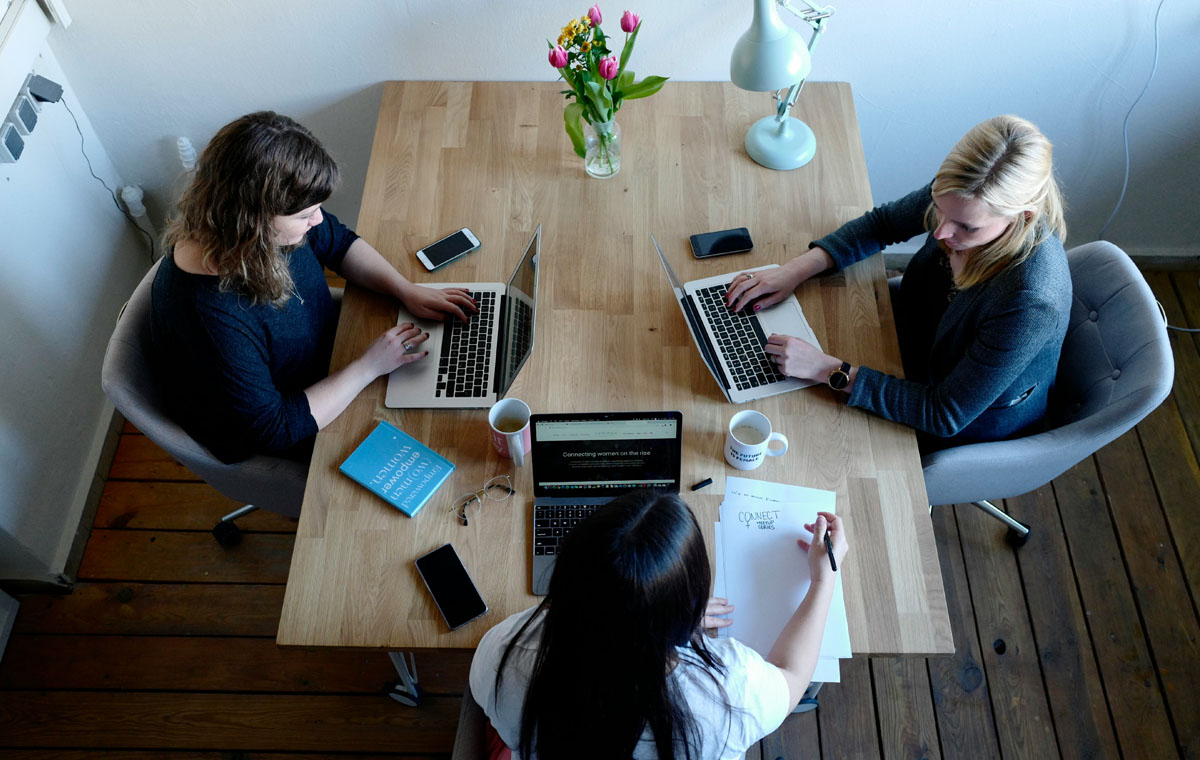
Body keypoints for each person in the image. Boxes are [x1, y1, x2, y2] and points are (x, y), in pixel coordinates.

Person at [150, 111, 476, 468]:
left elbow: (338, 243)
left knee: (452, 392)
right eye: (306, 215)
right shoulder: (208, 316)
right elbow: (273, 427)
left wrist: (405, 290)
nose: (317, 220)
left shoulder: (254, 231)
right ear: (252, 219)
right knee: (444, 439)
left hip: (334, 354)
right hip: (295, 418)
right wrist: (369, 367)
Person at [726, 115, 1070, 450]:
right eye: (939, 208)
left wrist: (826, 368)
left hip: (957, 420)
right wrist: (793, 271)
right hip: (907, 341)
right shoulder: (962, 192)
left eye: (966, 227)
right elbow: (883, 224)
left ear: (1023, 216)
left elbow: (944, 414)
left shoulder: (1030, 301)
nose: (940, 232)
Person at [468, 490, 849, 759]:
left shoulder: (502, 651)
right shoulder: (730, 692)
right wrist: (822, 580)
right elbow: (792, 676)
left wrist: (650, 612)